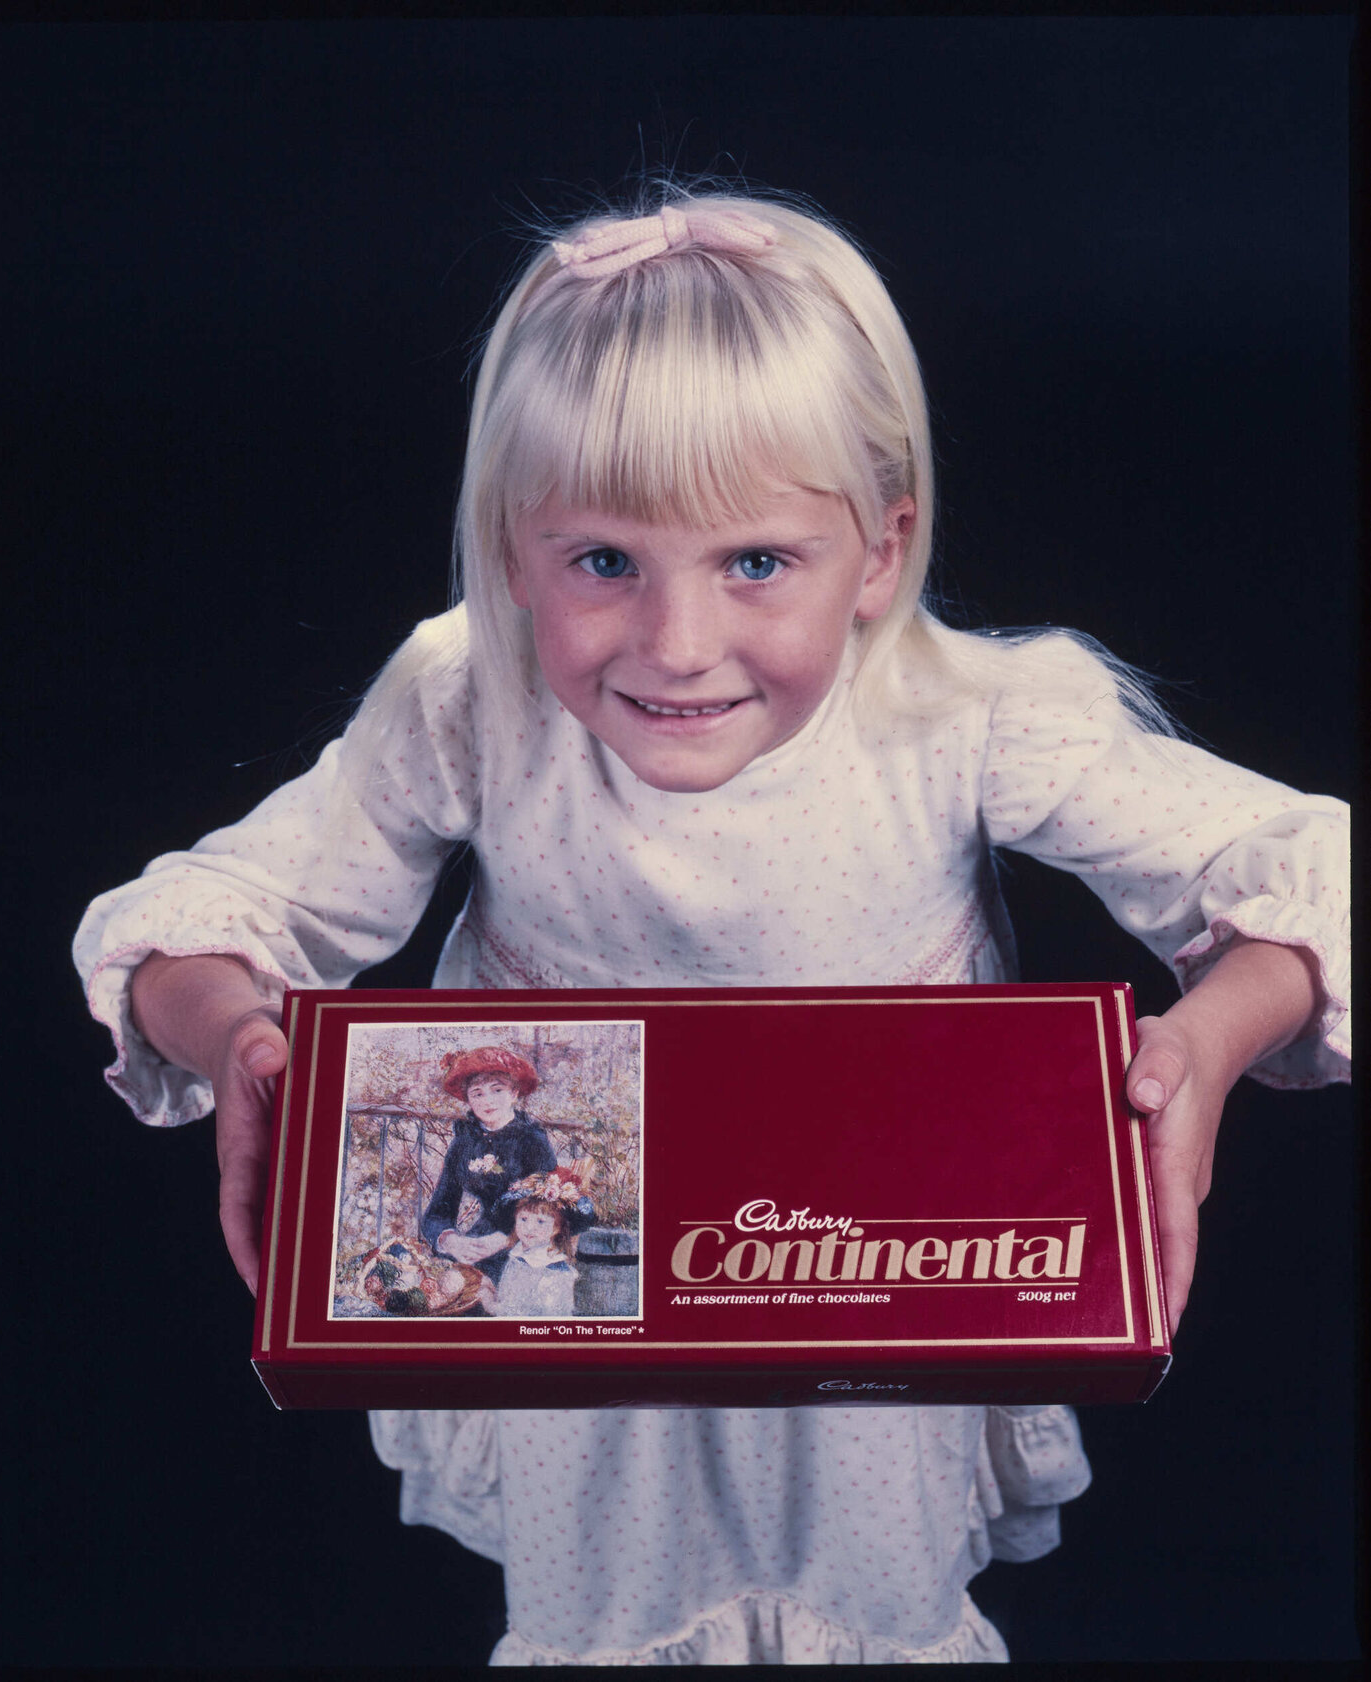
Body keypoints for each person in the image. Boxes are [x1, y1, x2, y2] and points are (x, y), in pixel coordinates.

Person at [73, 186, 1348, 1664]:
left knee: (868, 1599)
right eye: (603, 561)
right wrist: (232, 1031)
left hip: (869, 1265)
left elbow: (1306, 870)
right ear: (513, 549)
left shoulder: (969, 719)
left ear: (880, 550)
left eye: (756, 562)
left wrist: (1210, 1036)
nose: (678, 648)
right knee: (609, 1605)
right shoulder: (470, 705)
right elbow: (211, 915)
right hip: (584, 1279)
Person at [419, 1046, 556, 1283]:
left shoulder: (532, 1140)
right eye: (477, 1094)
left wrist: (506, 1238)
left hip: (525, 1247)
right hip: (478, 1243)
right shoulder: (465, 1142)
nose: (487, 1101)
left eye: (497, 1090)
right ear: (468, 1100)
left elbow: (553, 1210)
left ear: (514, 1093)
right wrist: (451, 1241)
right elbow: (438, 1210)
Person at [485, 1168, 595, 1319]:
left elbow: (520, 1314)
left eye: (540, 1221)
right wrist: (492, 1291)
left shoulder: (553, 1272)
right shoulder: (520, 1256)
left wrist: (490, 1304)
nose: (529, 1228)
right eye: (524, 1219)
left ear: (556, 1228)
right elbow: (512, 1298)